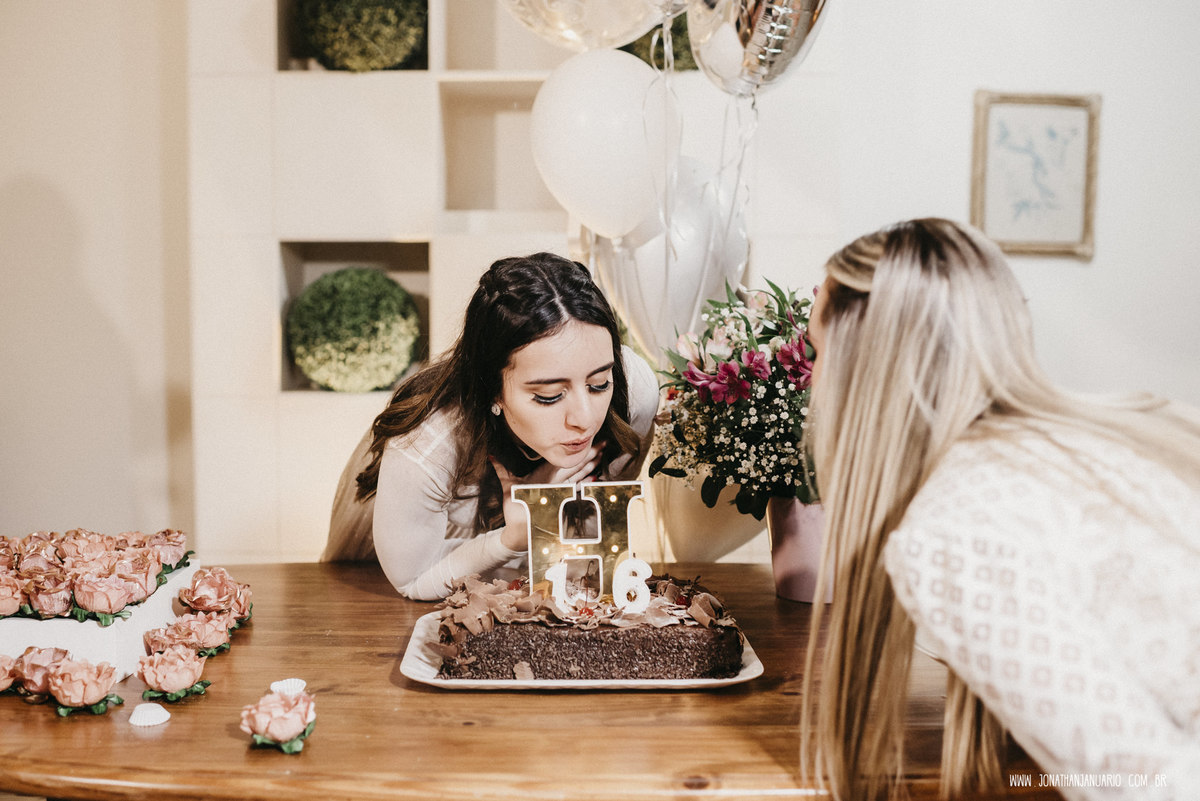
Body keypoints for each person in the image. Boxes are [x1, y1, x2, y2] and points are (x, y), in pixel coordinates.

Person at [799, 218, 1200, 800]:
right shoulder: (1152, 421)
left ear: (866, 368)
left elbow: (1150, 787)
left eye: (819, 352)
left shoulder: (951, 535)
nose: (813, 384)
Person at [323, 252, 659, 600]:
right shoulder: (426, 446)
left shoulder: (634, 393)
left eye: (599, 383)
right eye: (548, 395)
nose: (585, 419)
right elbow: (413, 580)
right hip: (413, 560)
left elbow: (588, 541)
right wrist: (510, 538)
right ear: (492, 390)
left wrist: (545, 505)